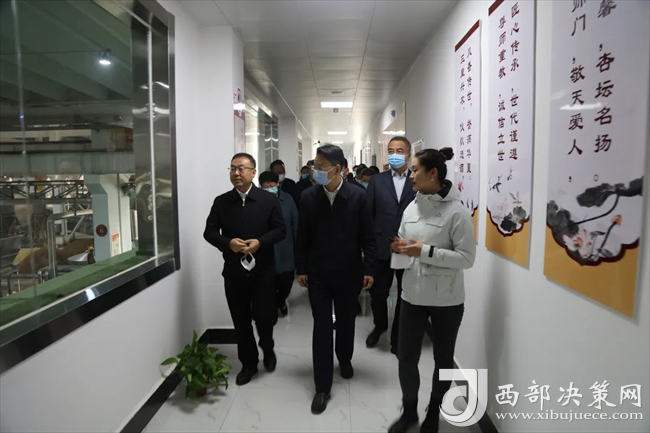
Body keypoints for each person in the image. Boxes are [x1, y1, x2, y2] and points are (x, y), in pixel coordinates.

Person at [387, 148, 476, 433]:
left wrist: (424, 251)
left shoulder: (458, 213)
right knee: (406, 358)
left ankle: (434, 412)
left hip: (447, 300)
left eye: (415, 170)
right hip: (412, 295)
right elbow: (405, 242)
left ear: (432, 173)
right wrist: (399, 247)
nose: (410, 175)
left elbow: (467, 259)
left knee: (443, 360)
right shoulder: (411, 208)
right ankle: (409, 411)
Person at [296, 144, 377, 415]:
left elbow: (368, 236)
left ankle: (344, 358)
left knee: (345, 321)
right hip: (318, 273)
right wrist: (301, 268)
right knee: (321, 326)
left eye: (321, 167)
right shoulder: (308, 197)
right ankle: (322, 386)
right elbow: (302, 236)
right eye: (314, 166)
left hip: (349, 271)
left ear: (339, 168)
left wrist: (369, 269)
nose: (316, 171)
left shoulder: (358, 196)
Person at [203, 153, 286, 386]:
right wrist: (227, 242)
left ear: (253, 172)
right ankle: (248, 363)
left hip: (263, 272)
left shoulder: (268, 200)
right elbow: (209, 232)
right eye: (233, 168)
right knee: (240, 320)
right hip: (234, 272)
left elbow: (280, 230)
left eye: (241, 168)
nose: (236, 173)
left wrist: (260, 242)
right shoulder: (222, 202)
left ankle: (267, 347)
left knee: (264, 317)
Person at [364, 137, 416, 354]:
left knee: (405, 294)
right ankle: (380, 326)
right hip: (381, 245)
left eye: (400, 150)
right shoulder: (377, 180)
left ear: (409, 154)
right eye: (391, 150)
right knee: (378, 293)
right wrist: (365, 246)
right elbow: (367, 214)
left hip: (408, 246)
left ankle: (398, 337)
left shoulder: (416, 179)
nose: (395, 154)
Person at [259, 170, 298, 318]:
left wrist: (298, 248)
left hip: (285, 249)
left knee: (286, 283)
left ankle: (281, 302)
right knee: (267, 284)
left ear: (277, 184)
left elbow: (295, 224)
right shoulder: (257, 201)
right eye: (265, 186)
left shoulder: (287, 200)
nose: (269, 188)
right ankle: (272, 306)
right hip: (265, 250)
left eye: (272, 185)